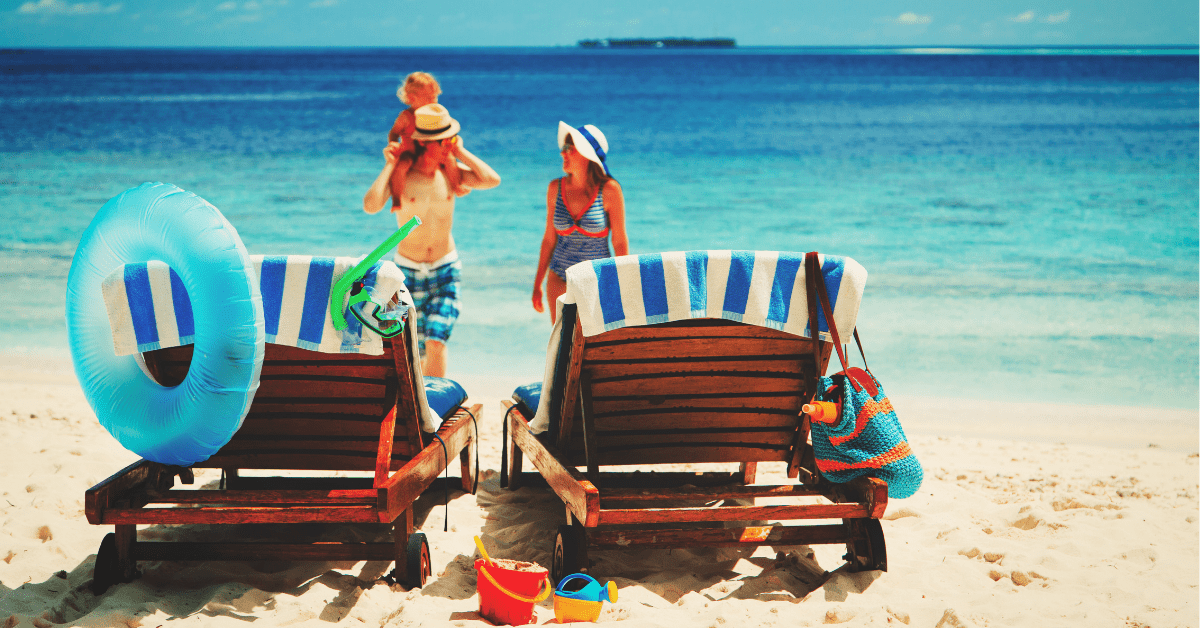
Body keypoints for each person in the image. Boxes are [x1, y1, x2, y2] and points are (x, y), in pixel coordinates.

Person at [363, 103, 501, 377]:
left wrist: (460, 151)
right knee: (409, 344)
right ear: (427, 144)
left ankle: (436, 410)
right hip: (406, 273)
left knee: (436, 340)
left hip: (445, 270)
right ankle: (417, 405)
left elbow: (491, 179)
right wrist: (389, 165)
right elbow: (371, 205)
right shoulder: (403, 177)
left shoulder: (450, 173)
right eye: (445, 140)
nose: (450, 144)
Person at [532, 122, 628, 323]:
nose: (562, 153)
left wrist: (625, 284)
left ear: (586, 156)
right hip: (559, 276)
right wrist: (537, 284)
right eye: (563, 148)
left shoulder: (609, 191)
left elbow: (619, 242)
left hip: (598, 279)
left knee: (593, 346)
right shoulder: (555, 189)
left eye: (569, 149)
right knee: (562, 344)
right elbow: (549, 239)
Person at [387, 72, 463, 208]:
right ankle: (397, 198)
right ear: (412, 98)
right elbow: (394, 132)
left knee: (450, 159)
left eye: (435, 97)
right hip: (412, 152)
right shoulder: (406, 116)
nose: (434, 102)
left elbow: (445, 133)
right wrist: (393, 143)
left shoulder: (435, 116)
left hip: (432, 152)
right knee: (401, 167)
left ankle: (456, 185)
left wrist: (451, 143)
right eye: (429, 98)